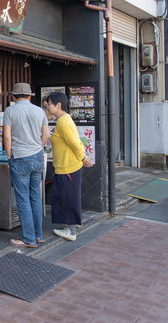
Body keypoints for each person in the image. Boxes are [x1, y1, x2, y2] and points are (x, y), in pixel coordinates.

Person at [3, 83, 50, 248]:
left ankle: (28, 238)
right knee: (35, 197)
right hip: (37, 157)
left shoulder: (10, 111)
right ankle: (38, 236)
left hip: (20, 157)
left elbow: (7, 138)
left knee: (22, 199)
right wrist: (37, 147)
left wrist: (9, 156)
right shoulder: (39, 111)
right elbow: (46, 134)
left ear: (13, 96)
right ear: (30, 96)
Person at [43, 91, 93, 241]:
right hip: (68, 166)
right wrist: (83, 157)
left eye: (49, 104)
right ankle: (69, 225)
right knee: (65, 196)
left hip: (68, 166)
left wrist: (84, 157)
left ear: (58, 105)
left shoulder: (63, 121)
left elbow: (74, 142)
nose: (47, 108)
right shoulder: (65, 119)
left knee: (66, 198)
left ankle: (70, 231)